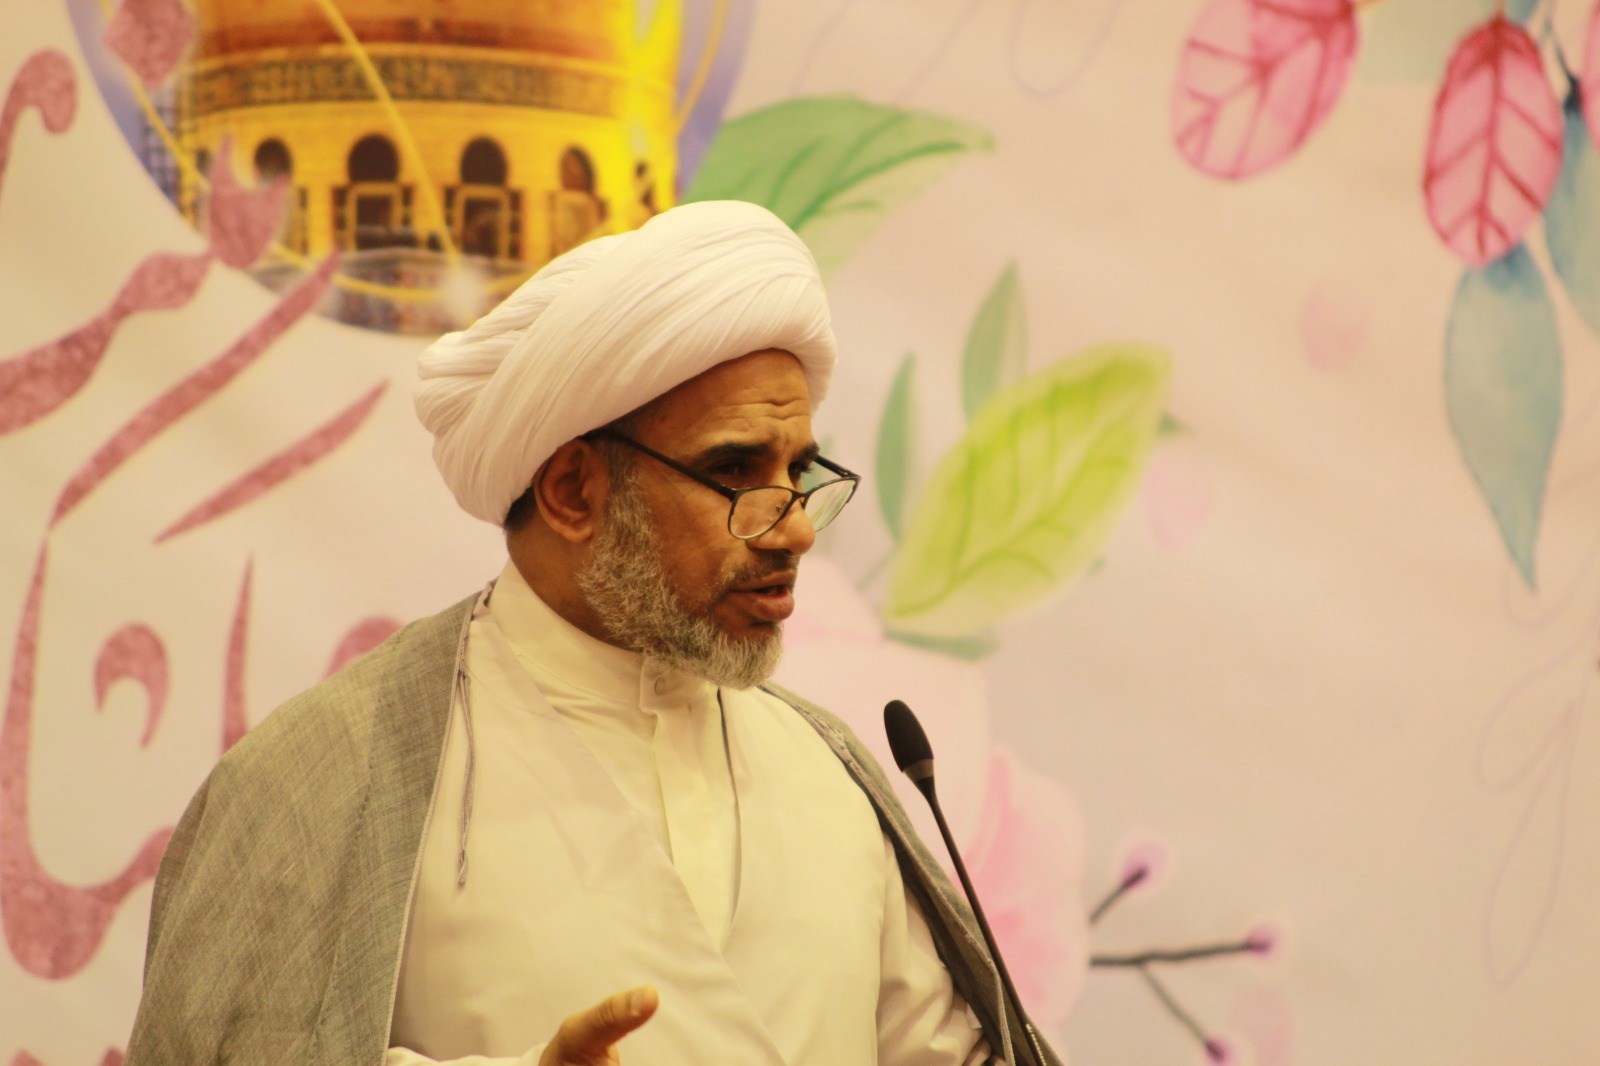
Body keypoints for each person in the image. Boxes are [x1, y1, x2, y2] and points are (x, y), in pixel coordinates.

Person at [125, 201, 1059, 1066]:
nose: (796, 530)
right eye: (738, 472)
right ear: (574, 492)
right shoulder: (328, 777)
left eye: (800, 473)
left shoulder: (830, 773)